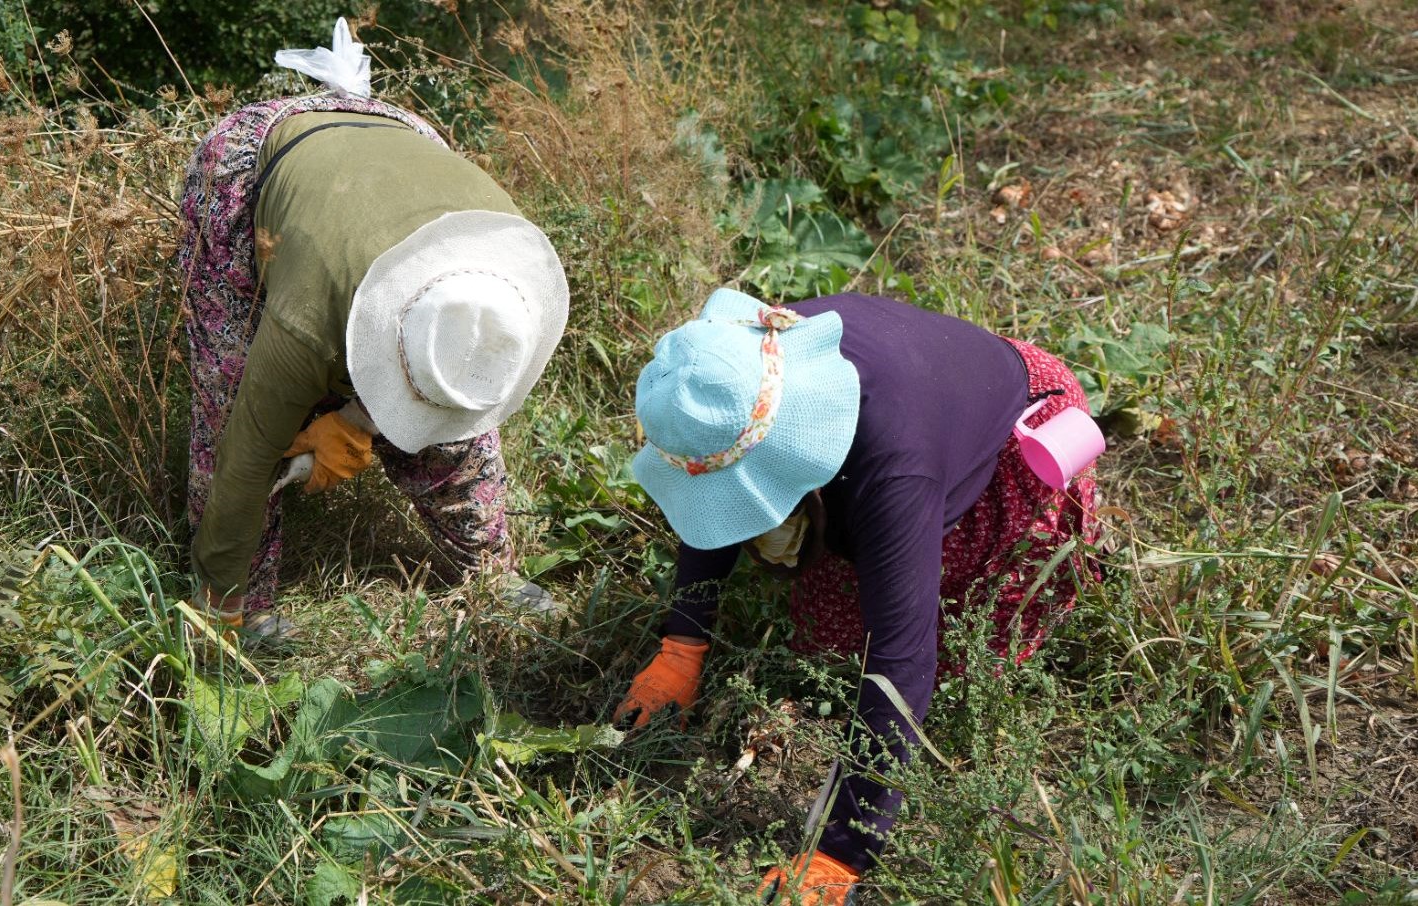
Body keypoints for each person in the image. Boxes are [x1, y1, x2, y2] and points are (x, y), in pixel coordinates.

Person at [611, 287, 1100, 903]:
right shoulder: (742, 371)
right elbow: (716, 499)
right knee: (826, 620)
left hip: (1016, 428)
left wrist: (842, 849)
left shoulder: (896, 469)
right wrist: (682, 644)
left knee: (929, 633)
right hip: (919, 395)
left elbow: (900, 660)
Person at [176, 21, 568, 645]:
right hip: (255, 167)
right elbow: (245, 454)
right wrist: (218, 603)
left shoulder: (507, 282)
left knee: (453, 402)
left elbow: (449, 375)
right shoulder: (309, 319)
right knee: (235, 392)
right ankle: (241, 606)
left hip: (399, 138)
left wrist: (359, 421)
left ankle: (490, 572)